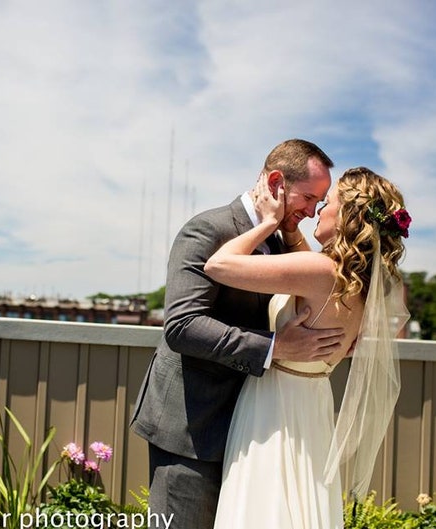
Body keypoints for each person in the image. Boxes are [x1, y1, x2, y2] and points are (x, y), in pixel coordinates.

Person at [130, 139, 346, 529]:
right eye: (308, 198)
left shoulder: (282, 242)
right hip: (194, 428)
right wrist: (276, 347)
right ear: (276, 182)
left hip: (254, 432)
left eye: (321, 202)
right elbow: (182, 325)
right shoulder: (207, 229)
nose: (313, 212)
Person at [205, 167, 411, 528]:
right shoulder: (358, 286)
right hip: (311, 407)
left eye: (327, 202)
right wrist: (291, 231)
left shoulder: (321, 271)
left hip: (275, 408)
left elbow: (218, 265)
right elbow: (308, 270)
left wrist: (269, 223)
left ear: (347, 215)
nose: (317, 210)